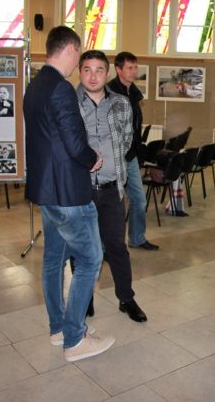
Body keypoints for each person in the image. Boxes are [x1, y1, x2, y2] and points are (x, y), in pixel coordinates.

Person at [23, 26, 114, 362]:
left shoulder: (35, 84)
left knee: (53, 260)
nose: (79, 64)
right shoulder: (60, 87)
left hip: (46, 190)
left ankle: (59, 328)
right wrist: (93, 159)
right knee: (90, 259)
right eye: (79, 56)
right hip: (68, 193)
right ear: (72, 50)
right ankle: (75, 338)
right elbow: (74, 142)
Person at [77, 50, 148, 323]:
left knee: (117, 246)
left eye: (99, 70)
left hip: (111, 188)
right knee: (83, 249)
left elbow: (127, 139)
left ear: (107, 73)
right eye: (87, 69)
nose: (93, 76)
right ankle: (85, 298)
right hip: (81, 191)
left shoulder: (121, 103)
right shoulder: (70, 104)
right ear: (80, 72)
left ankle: (126, 298)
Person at [107, 51, 159, 251]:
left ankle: (136, 238)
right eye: (129, 68)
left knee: (139, 199)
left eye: (135, 67)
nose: (134, 71)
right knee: (113, 205)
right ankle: (109, 246)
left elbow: (135, 127)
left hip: (131, 155)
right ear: (118, 69)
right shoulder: (110, 92)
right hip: (114, 157)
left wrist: (138, 151)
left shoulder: (133, 92)